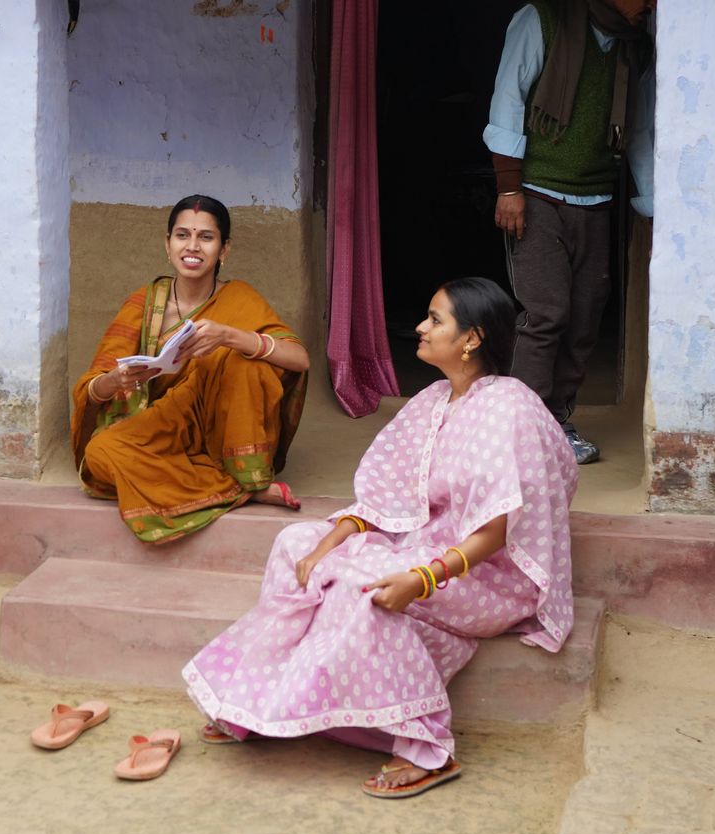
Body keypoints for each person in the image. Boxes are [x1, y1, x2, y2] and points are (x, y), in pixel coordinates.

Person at [184, 277, 577, 799]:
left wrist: (421, 578)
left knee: (360, 584)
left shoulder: (508, 406)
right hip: (426, 543)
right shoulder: (436, 399)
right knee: (297, 544)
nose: (420, 326)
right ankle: (261, 700)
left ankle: (424, 747)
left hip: (490, 570)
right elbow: (389, 498)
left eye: (436, 320)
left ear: (472, 339)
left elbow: (496, 529)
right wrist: (335, 536)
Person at [484, 0, 658, 466]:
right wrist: (508, 190)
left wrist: (648, 206)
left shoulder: (633, 48)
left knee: (584, 317)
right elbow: (507, 104)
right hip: (535, 195)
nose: (651, 4)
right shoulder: (542, 20)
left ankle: (557, 420)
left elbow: (640, 131)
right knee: (547, 314)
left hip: (596, 202)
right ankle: (522, 430)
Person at [73, 195, 310, 543]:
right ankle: (239, 491)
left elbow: (299, 360)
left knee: (249, 363)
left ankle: (246, 476)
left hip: (223, 430)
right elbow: (91, 388)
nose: (193, 247)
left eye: (206, 237)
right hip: (162, 427)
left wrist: (231, 336)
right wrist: (116, 379)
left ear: (224, 249)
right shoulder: (144, 302)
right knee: (99, 456)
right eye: (182, 235)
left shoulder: (240, 298)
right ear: (167, 245)